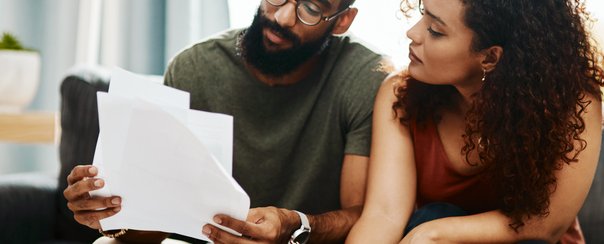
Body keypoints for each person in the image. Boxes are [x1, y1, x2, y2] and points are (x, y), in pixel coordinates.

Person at [63, 0, 389, 243]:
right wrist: (112, 215)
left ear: (342, 20)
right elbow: (157, 223)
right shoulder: (195, 68)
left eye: (311, 8)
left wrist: (295, 224)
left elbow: (365, 214)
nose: (282, 17)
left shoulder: (364, 79)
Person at [347, 0, 604, 243]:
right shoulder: (400, 94)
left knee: (432, 219)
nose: (413, 33)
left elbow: (546, 225)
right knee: (431, 216)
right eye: (423, 13)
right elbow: (384, 215)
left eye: (435, 30)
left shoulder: (573, 101)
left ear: (490, 57)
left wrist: (433, 233)